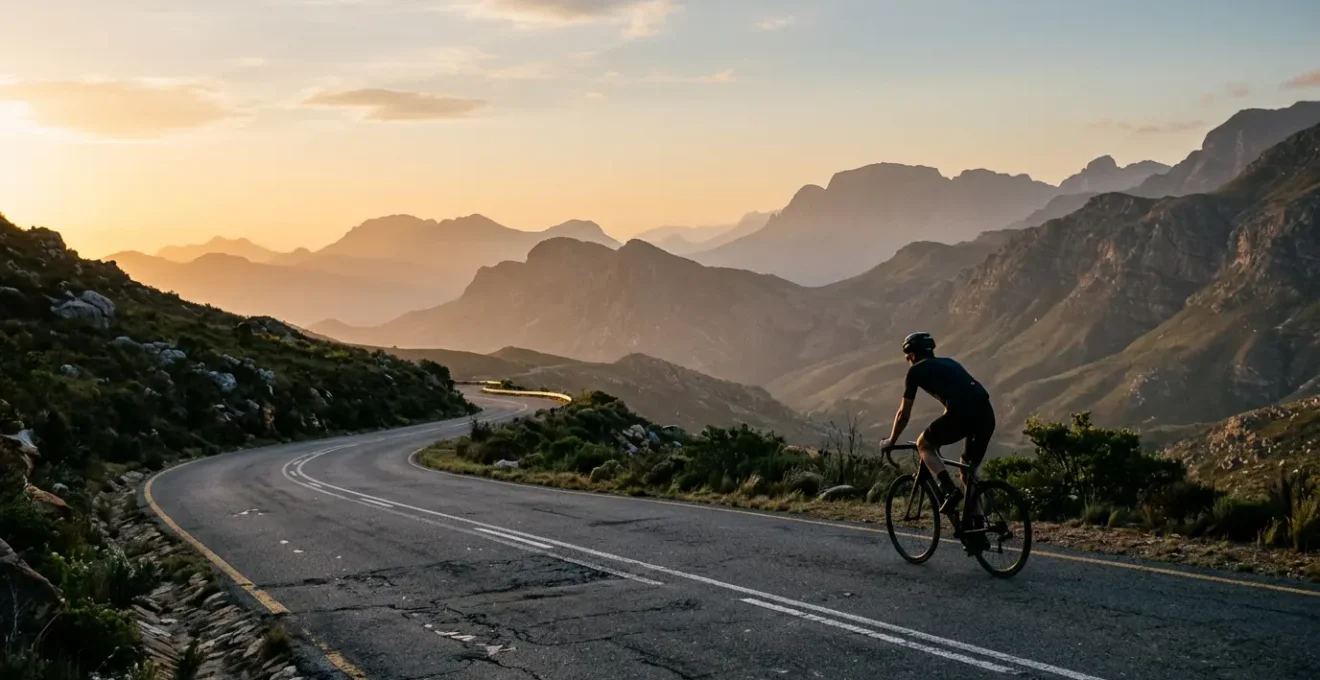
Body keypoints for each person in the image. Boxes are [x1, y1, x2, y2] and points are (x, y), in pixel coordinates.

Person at [880, 332, 995, 517]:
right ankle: (978, 527)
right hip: (986, 415)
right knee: (968, 473)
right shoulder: (950, 362)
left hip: (963, 414)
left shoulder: (915, 371)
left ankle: (950, 491)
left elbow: (903, 414)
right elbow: (959, 398)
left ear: (912, 355)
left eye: (907, 358)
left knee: (923, 444)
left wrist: (891, 440)